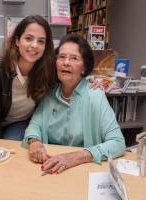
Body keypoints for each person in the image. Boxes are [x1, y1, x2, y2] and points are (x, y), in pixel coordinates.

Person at [22, 34, 126, 174]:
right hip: (49, 165)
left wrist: (77, 157)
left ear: (84, 67)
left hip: (83, 169)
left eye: (74, 58)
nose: (66, 62)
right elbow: (35, 125)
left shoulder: (95, 96)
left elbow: (118, 143)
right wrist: (34, 142)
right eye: (62, 57)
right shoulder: (49, 94)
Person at [0, 15, 57, 140]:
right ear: (17, 41)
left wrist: (93, 83)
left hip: (20, 123)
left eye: (41, 41)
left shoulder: (49, 70)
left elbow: (70, 78)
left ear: (45, 46)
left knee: (12, 149)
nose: (34, 45)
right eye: (28, 38)